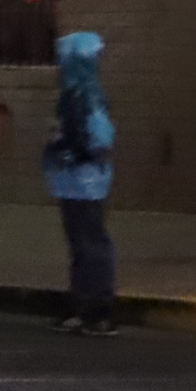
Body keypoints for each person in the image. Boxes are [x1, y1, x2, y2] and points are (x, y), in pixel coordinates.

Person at [43, 30, 118, 336]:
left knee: (90, 243)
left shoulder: (84, 96)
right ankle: (82, 306)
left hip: (83, 181)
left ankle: (99, 310)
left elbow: (98, 139)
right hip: (75, 180)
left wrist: (70, 151)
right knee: (82, 244)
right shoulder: (76, 95)